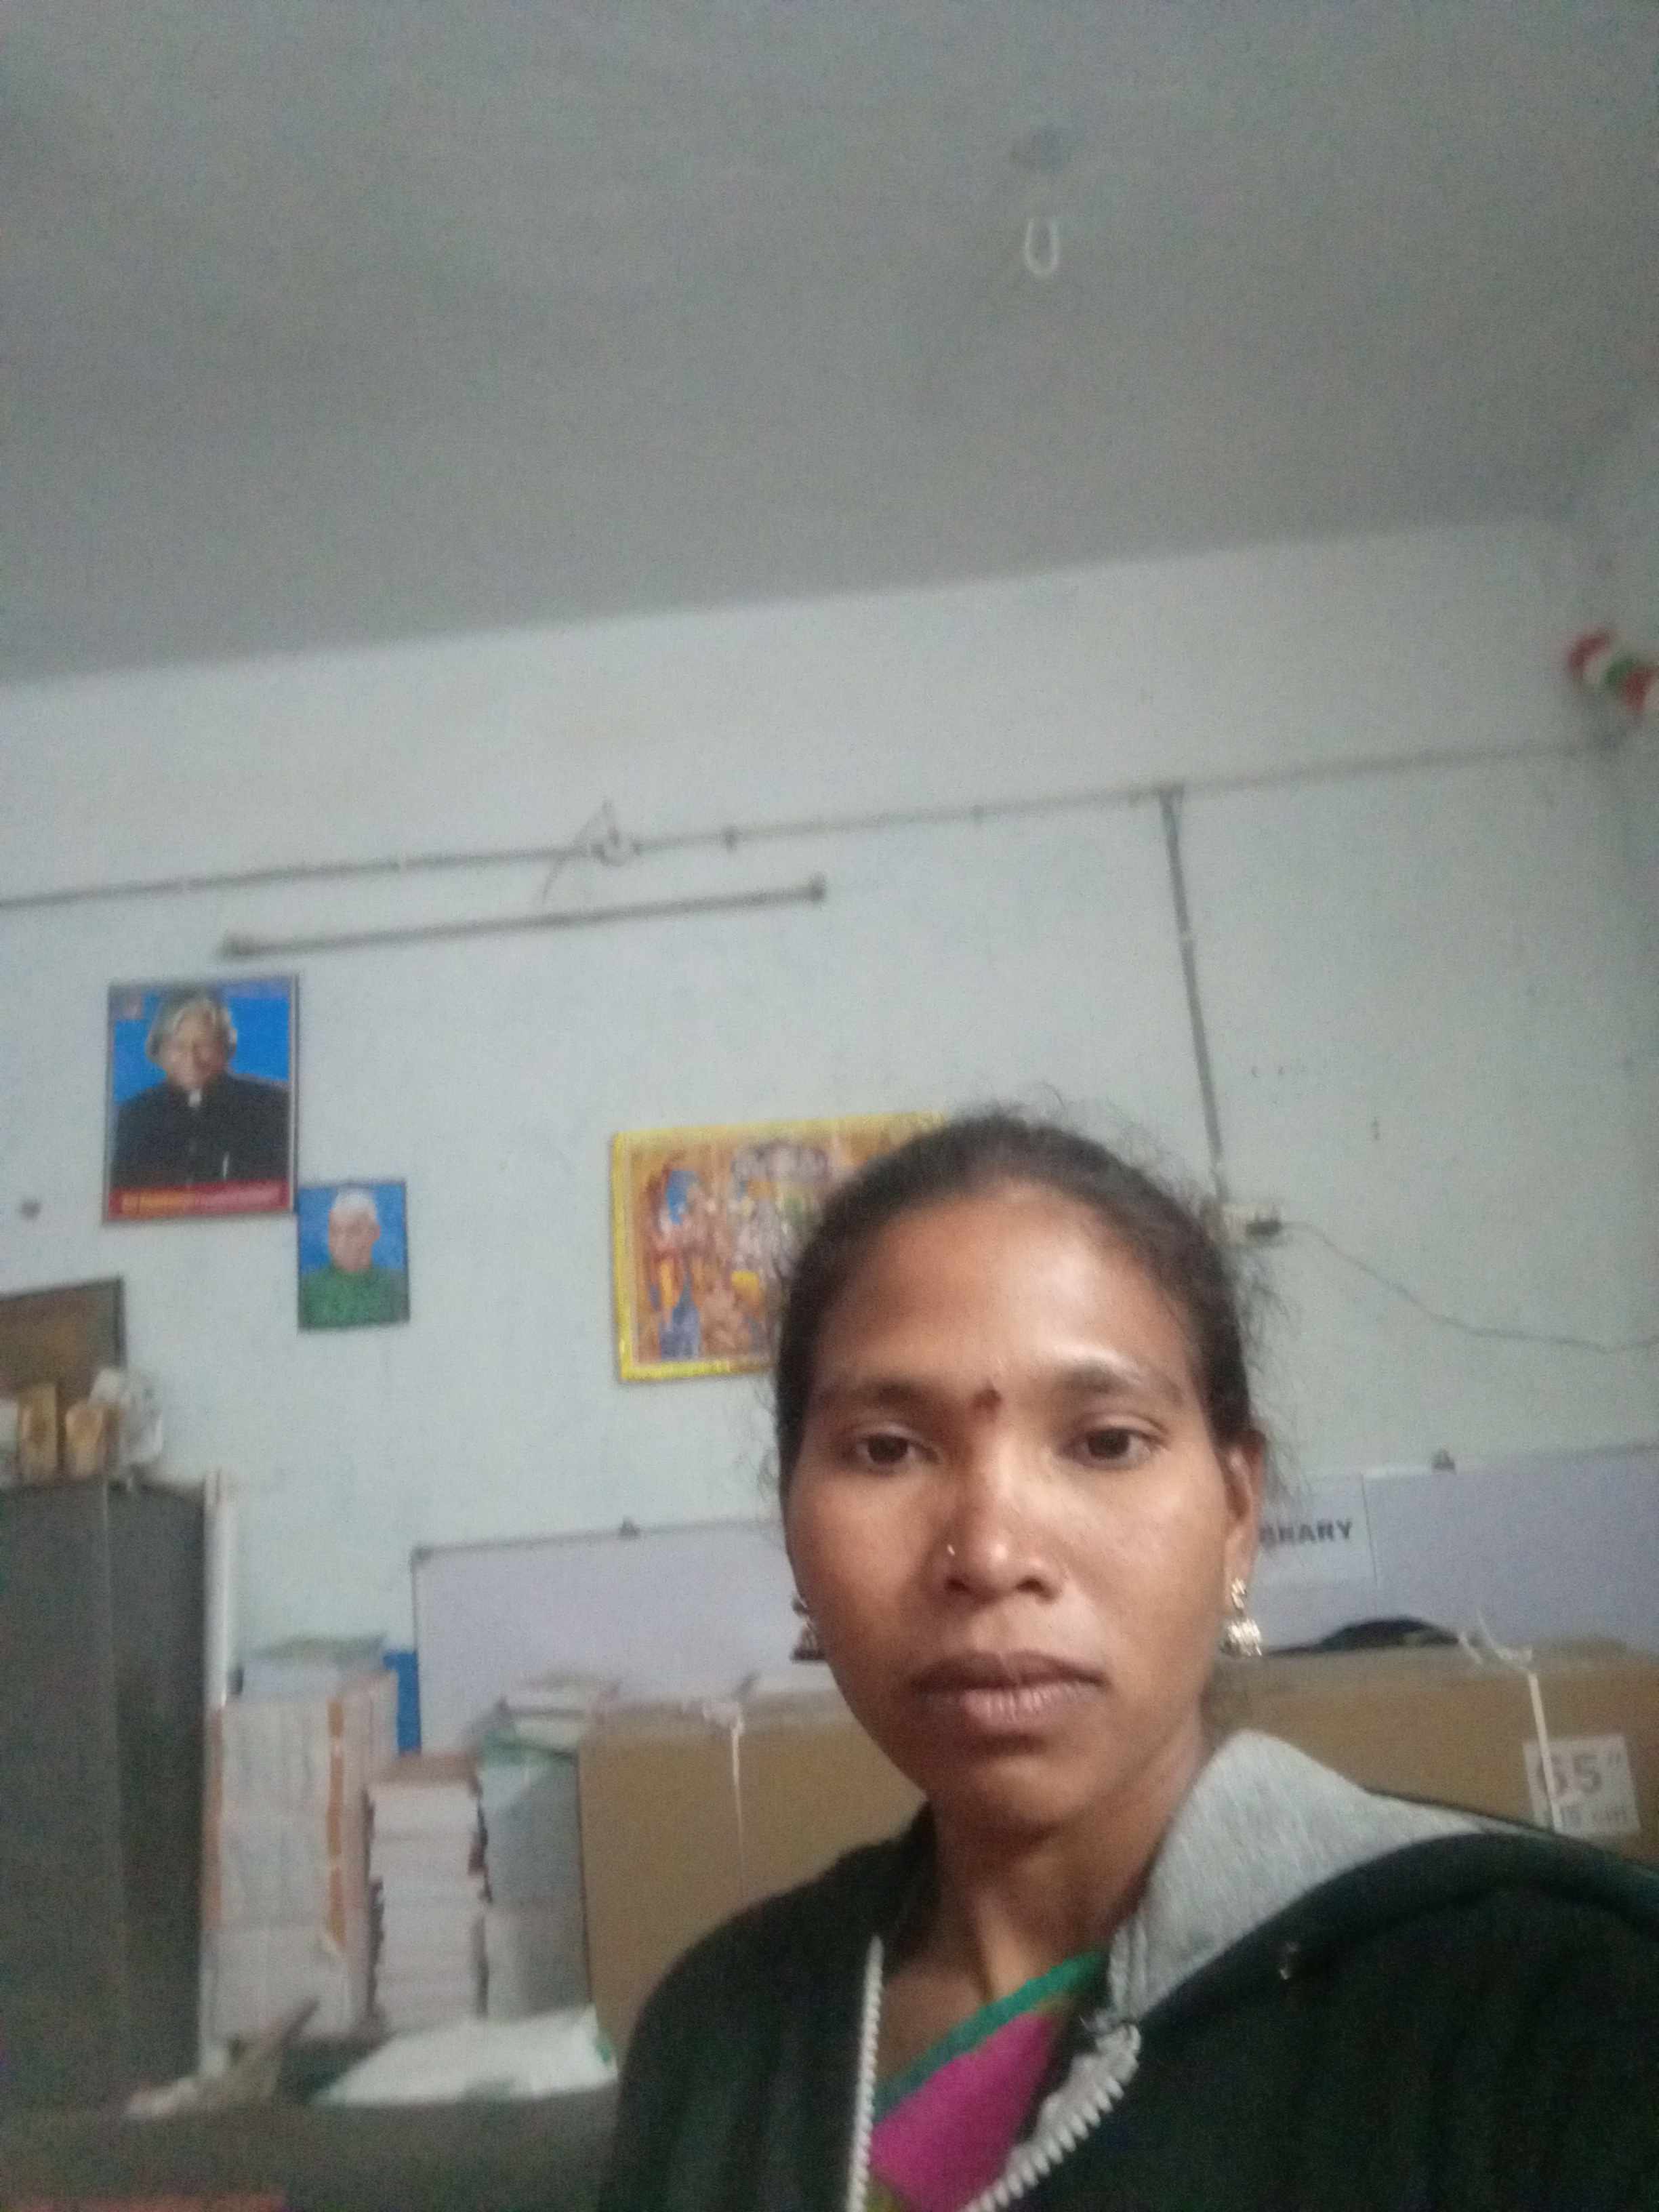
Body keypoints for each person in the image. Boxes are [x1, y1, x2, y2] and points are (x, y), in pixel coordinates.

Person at [598, 1113, 1659, 2211]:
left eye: (1106, 1441)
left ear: (1237, 1513)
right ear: (791, 1522)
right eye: (885, 1449)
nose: (991, 1554)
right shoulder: (721, 2031)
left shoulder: (1545, 2012)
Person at [109, 989, 289, 1189]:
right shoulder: (135, 1116)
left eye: (204, 1045)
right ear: (159, 1051)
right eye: (178, 1046)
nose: (191, 1059)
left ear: (226, 1048)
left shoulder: (270, 1107)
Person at [299, 1187, 409, 1328]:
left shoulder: (397, 1286)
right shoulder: (307, 1290)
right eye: (335, 1231)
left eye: (353, 1231)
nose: (342, 1242)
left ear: (374, 1233)